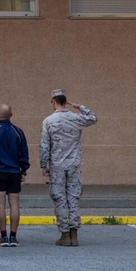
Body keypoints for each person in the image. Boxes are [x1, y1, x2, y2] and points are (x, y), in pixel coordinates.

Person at [40, 90, 97, 247]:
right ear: (66, 101)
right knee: (73, 197)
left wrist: (43, 165)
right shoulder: (76, 118)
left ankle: (64, 234)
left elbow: (45, 145)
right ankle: (74, 233)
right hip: (74, 164)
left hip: (57, 165)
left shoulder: (48, 121)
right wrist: (80, 107)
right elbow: (93, 118)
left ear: (53, 101)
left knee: (59, 198)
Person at [0, 104, 30, 248]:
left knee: (0, 205)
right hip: (14, 172)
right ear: (11, 115)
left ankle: (3, 236)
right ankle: (13, 236)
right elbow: (24, 153)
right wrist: (23, 170)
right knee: (14, 204)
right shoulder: (18, 132)